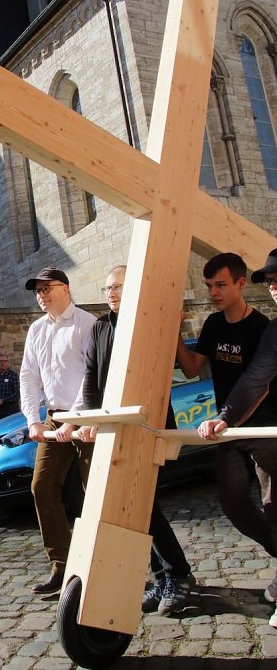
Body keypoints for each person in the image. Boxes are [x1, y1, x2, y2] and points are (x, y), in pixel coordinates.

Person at [77, 265, 195, 615]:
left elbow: (167, 366)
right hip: (114, 430)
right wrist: (91, 419)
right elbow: (90, 378)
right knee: (133, 508)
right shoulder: (101, 327)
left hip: (148, 427)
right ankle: (163, 577)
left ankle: (178, 574)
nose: (111, 293)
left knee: (144, 504)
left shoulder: (149, 322)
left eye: (118, 286)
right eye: (107, 288)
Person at [176, 252, 277, 591]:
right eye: (209, 286)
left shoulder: (261, 328)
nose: (213, 292)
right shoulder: (215, 325)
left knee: (273, 506)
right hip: (230, 428)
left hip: (265, 429)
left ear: (240, 283)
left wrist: (226, 418)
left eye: (220, 284)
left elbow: (260, 385)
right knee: (233, 502)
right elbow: (194, 368)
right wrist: (174, 332)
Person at [20, 266, 96, 594]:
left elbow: (92, 376)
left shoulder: (86, 324)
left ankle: (104, 563)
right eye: (37, 291)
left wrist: (74, 420)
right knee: (42, 487)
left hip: (89, 417)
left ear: (65, 288)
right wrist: (32, 420)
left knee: (96, 491)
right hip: (54, 418)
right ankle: (63, 565)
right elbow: (28, 376)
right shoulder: (36, 329)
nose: (41, 295)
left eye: (46, 288)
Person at [0, 353, 20, 420]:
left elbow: (17, 394)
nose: (2, 363)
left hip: (11, 410)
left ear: (8, 363)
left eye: (5, 361)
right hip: (0, 411)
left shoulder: (13, 375)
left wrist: (3, 400)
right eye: (0, 361)